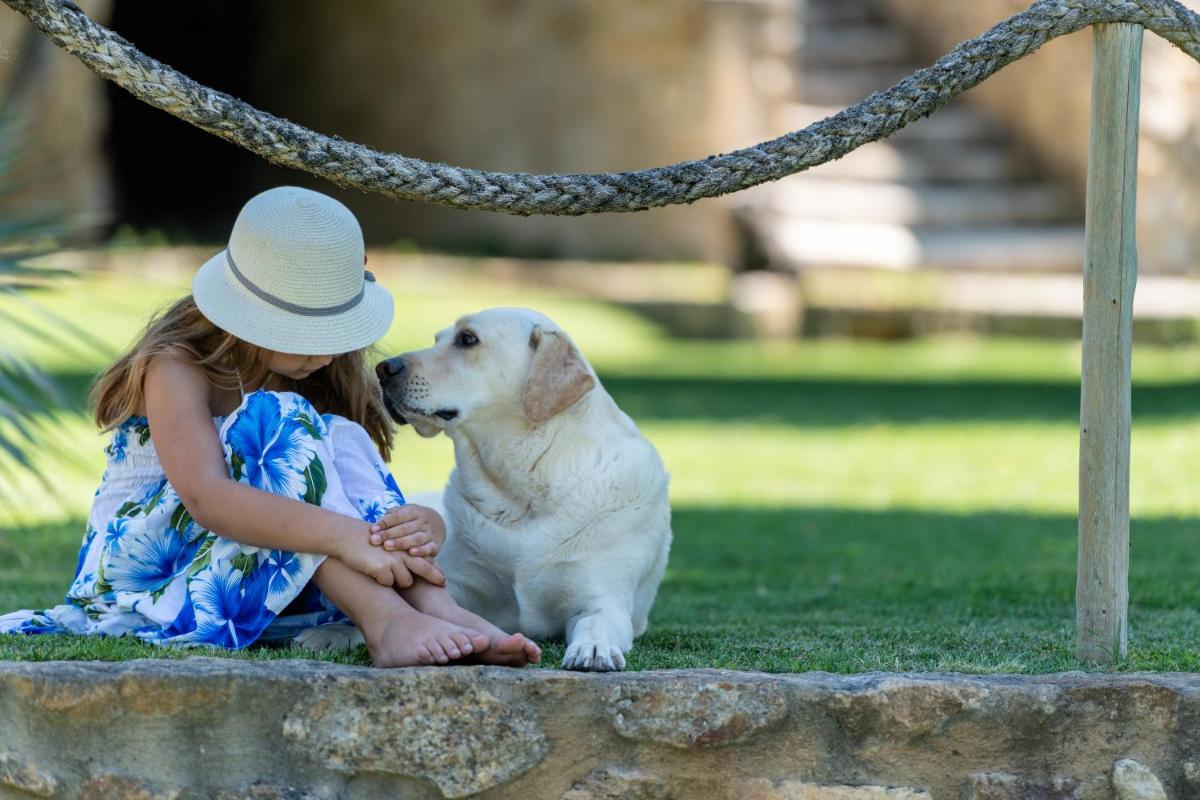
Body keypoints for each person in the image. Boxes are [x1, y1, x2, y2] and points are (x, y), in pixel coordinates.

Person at [0, 186, 541, 668]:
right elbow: (208, 499)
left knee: (343, 435)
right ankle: (387, 624)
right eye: (309, 330)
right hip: (148, 580)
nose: (329, 351)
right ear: (245, 313)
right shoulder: (176, 366)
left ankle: (435, 607)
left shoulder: (314, 376)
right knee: (276, 419)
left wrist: (423, 525)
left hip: (269, 563)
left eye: (336, 329)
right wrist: (347, 536)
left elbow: (348, 489)